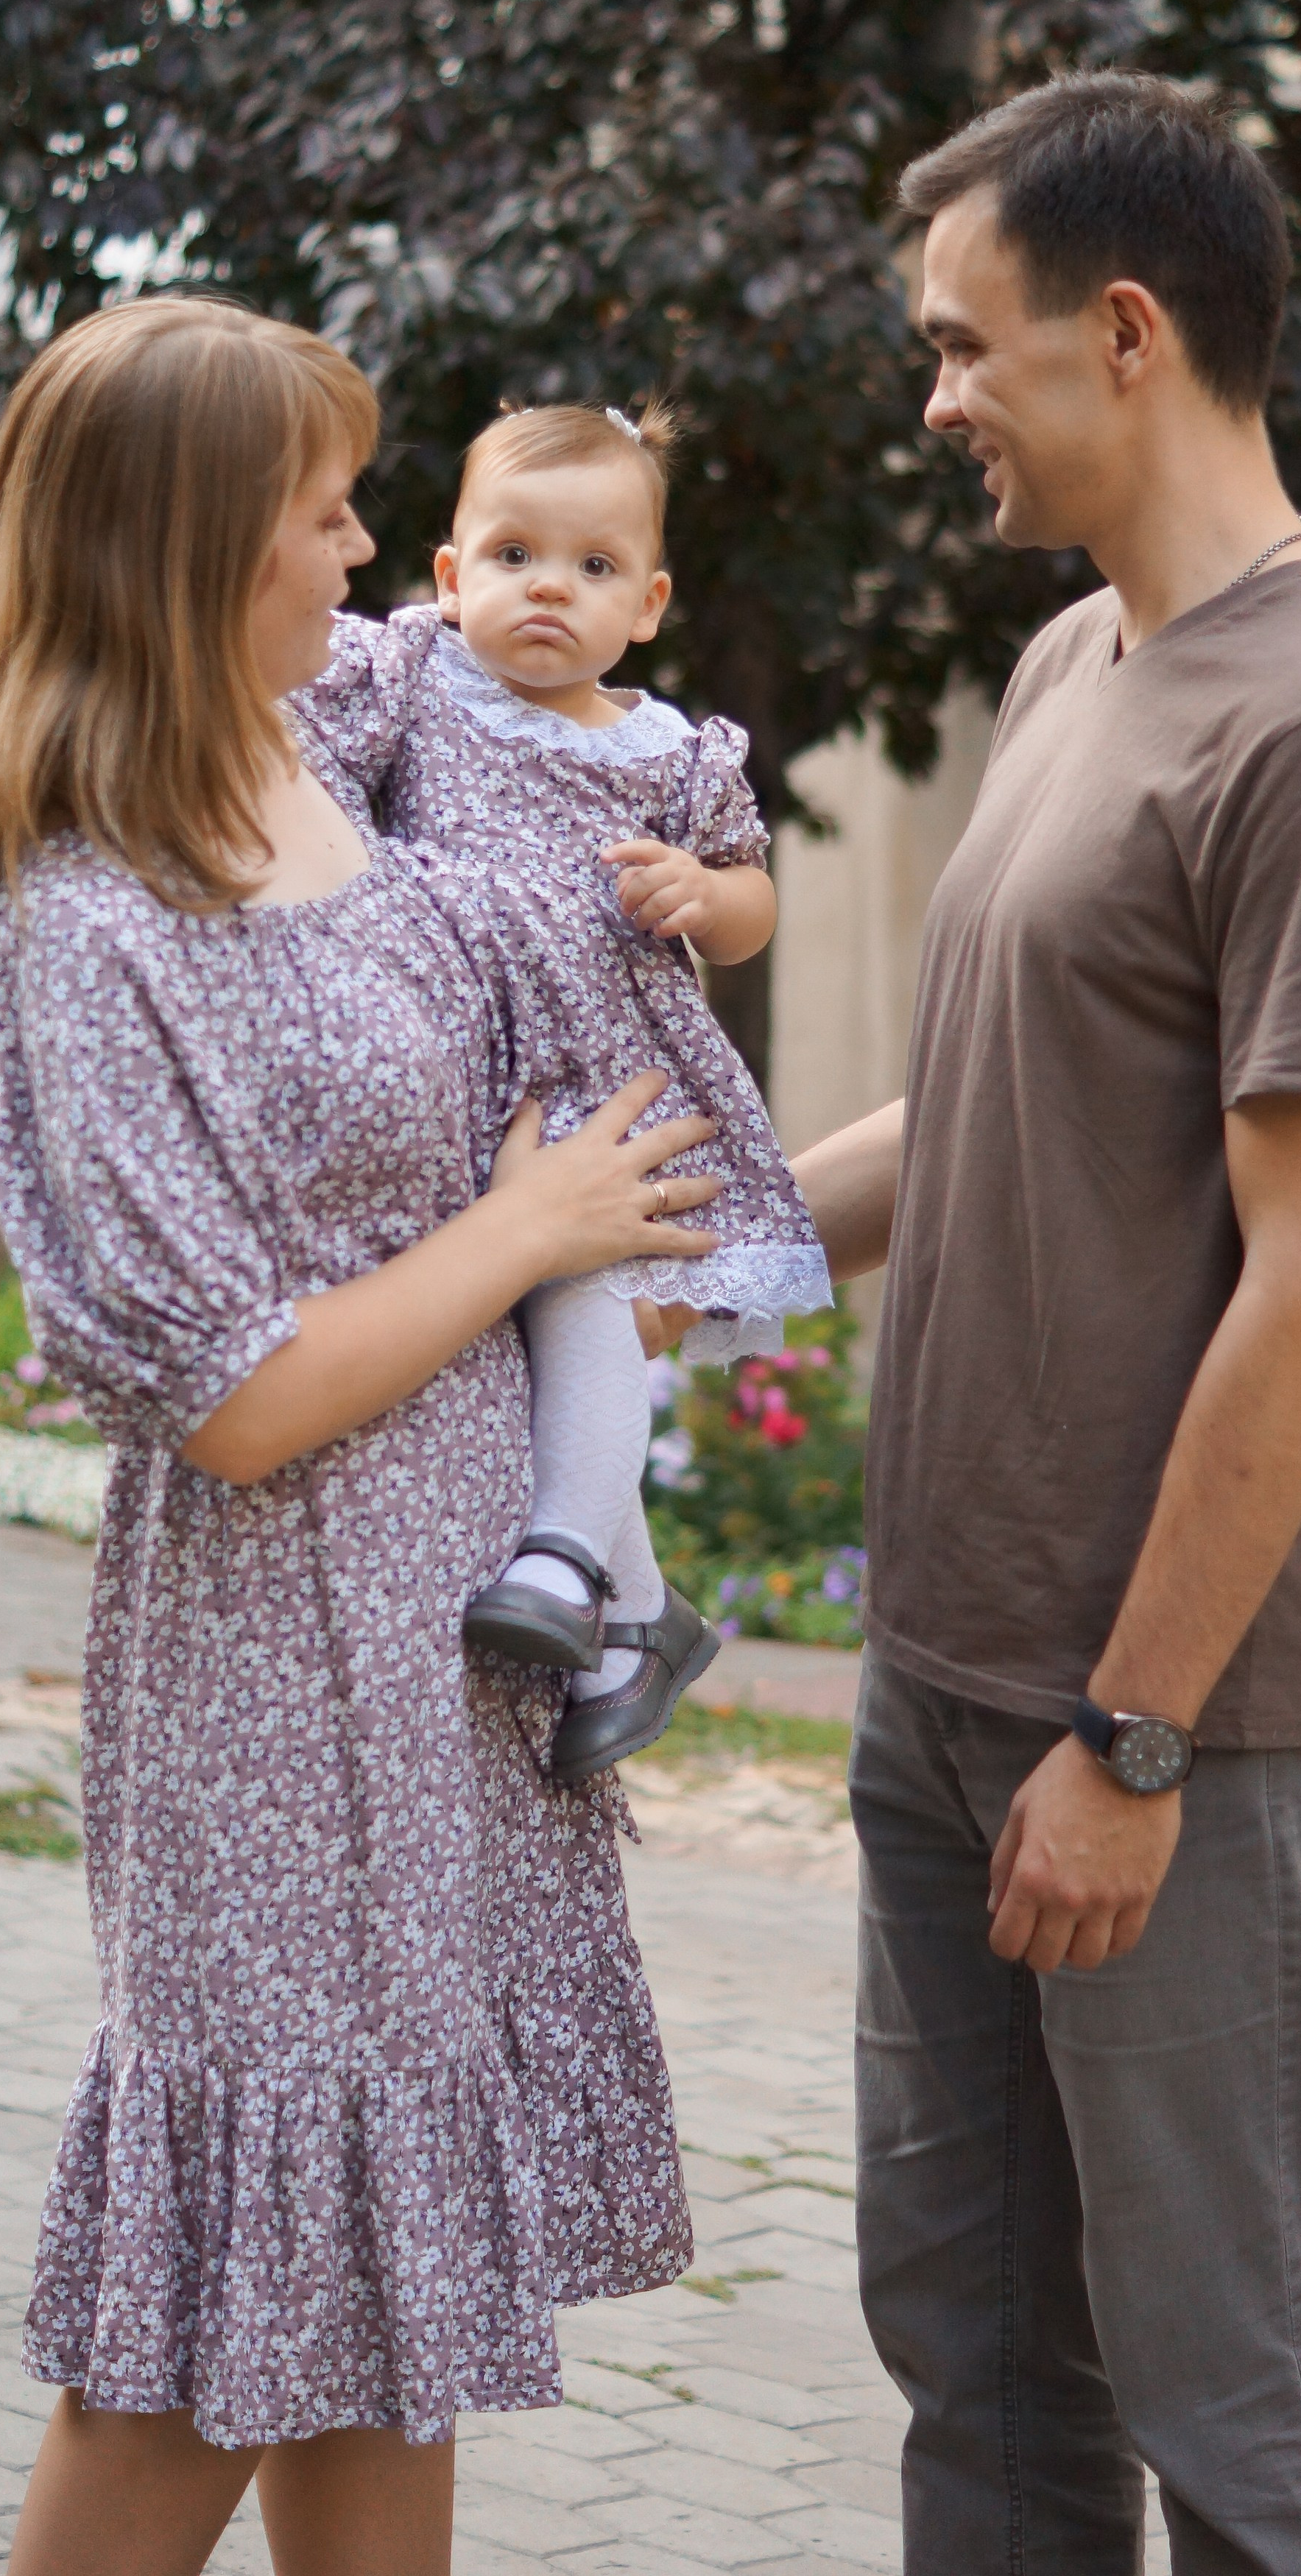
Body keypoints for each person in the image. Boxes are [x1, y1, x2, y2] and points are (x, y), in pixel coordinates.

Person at [0, 298, 721, 2576]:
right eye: (326, 512)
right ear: (192, 552)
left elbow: (592, 812)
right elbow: (235, 1397)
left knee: (390, 2302)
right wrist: (530, 1226)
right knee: (199, 2340)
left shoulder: (327, 749)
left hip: (451, 1652)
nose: (374, 552)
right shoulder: (90, 913)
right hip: (278, 1680)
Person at [789, 73, 1301, 2574]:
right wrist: (677, 1243)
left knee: (1227, 2391)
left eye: (958, 349)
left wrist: (1135, 1726)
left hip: (1143, 1711)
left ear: (1120, 330)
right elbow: (981, 1106)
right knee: (978, 2356)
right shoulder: (1086, 658)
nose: (934, 403)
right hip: (949, 1667)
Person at [292, 395, 831, 1779]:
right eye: (515, 553)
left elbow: (757, 902)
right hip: (451, 1063)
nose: (551, 588)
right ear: (450, 575)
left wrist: (701, 896)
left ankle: (569, 1558)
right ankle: (639, 1614)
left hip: (597, 1075)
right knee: (497, 1312)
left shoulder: (668, 752)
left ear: (646, 604)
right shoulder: (415, 679)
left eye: (594, 569)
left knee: (579, 1290)